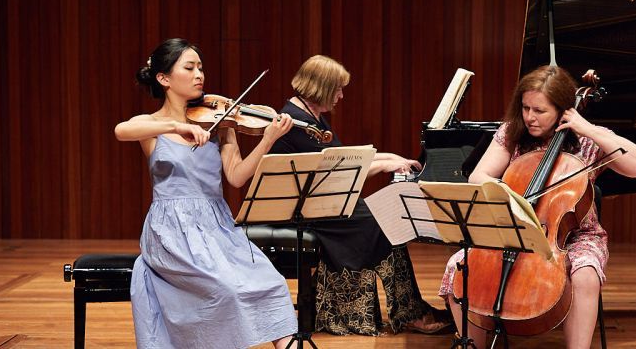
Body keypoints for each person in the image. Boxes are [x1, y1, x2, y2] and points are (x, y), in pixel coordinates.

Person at [439, 65, 636, 349]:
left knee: (585, 273)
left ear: (564, 110)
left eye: (539, 111)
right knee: (460, 266)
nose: (529, 117)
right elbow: (479, 176)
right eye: (525, 107)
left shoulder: (587, 139)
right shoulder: (512, 132)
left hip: (573, 237)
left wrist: (588, 128)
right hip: (514, 229)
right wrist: (504, 191)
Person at [114, 38, 298, 349]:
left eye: (201, 67)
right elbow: (122, 131)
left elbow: (237, 177)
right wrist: (175, 127)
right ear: (164, 79)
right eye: (189, 67)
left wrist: (267, 141)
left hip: (218, 228)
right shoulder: (153, 126)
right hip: (171, 231)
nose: (200, 74)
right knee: (225, 288)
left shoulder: (220, 121)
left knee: (272, 284)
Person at [269, 55, 452, 336]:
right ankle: (410, 313)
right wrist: (384, 165)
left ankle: (411, 309)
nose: (341, 96)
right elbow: (338, 174)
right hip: (303, 211)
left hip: (325, 205)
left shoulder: (312, 116)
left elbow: (346, 158)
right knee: (385, 222)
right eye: (338, 89)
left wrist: (390, 157)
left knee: (388, 217)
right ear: (322, 88)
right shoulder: (294, 123)